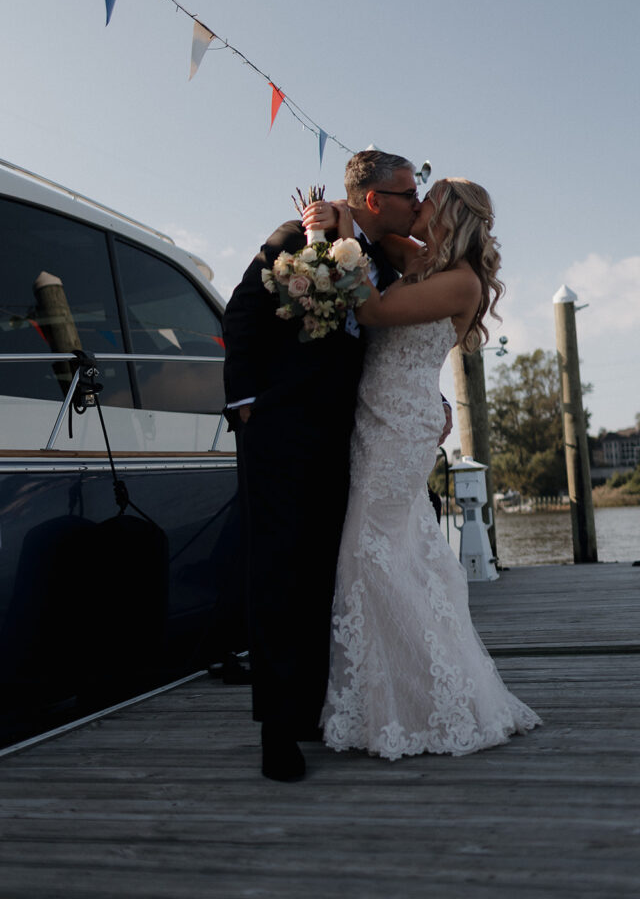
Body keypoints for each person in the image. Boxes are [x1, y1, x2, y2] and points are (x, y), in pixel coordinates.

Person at [222, 151, 452, 782]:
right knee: (279, 569)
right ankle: (277, 731)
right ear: (374, 199)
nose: (417, 203)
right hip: (280, 430)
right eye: (408, 193)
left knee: (330, 567)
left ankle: (314, 708)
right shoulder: (300, 237)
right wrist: (246, 406)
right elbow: (241, 316)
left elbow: (394, 341)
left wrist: (427, 397)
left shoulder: (390, 257)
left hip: (351, 436)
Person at [305, 177, 541, 760]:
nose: (418, 205)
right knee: (398, 552)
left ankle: (428, 705)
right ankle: (396, 698)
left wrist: (328, 240)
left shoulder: (461, 280)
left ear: (448, 214)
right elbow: (379, 239)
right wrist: (340, 218)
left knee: (372, 549)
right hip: (376, 415)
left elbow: (376, 310)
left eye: (426, 199)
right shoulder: (423, 258)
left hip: (401, 426)